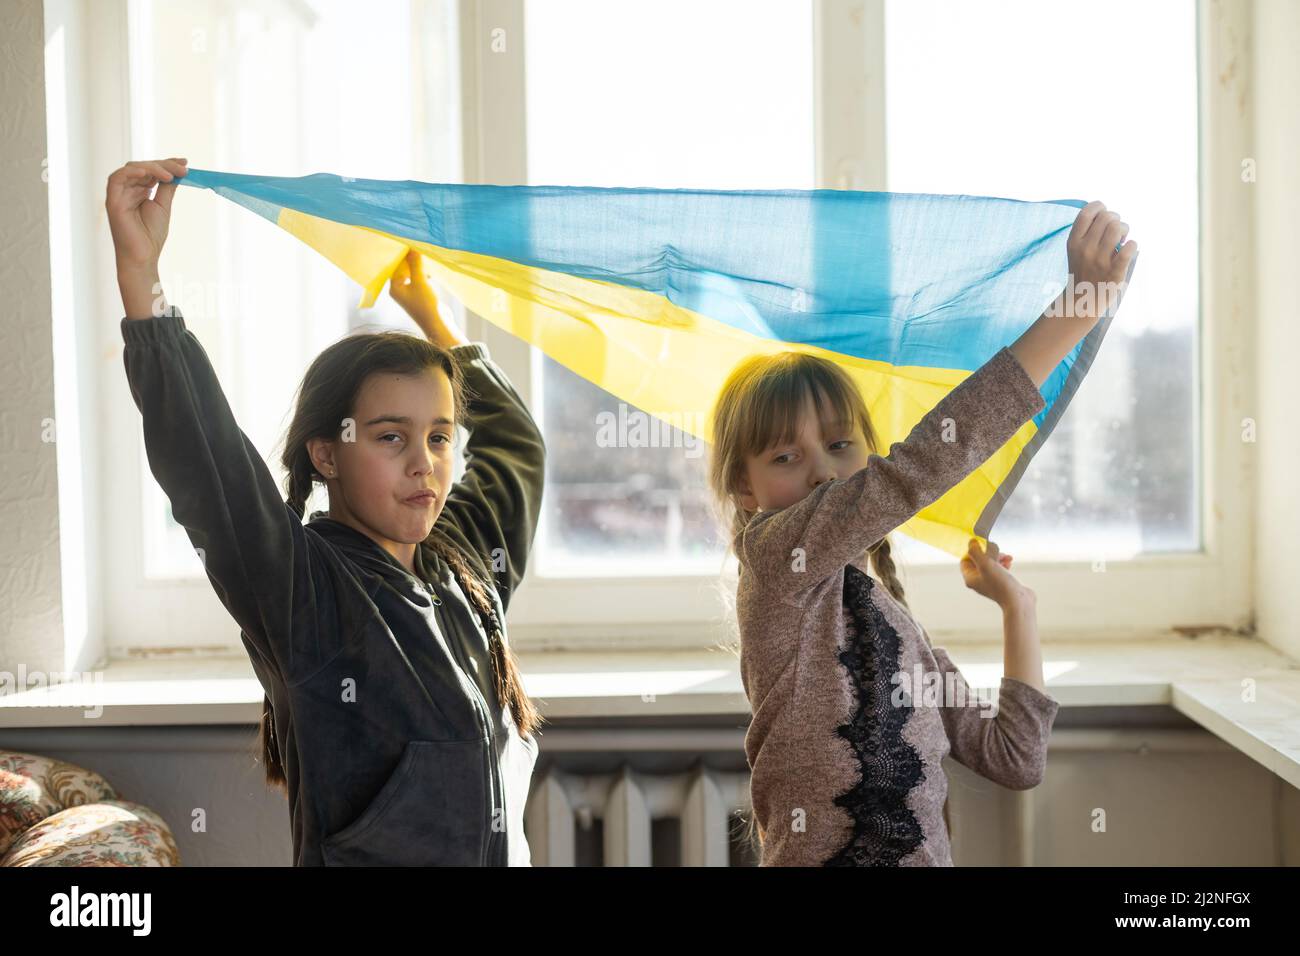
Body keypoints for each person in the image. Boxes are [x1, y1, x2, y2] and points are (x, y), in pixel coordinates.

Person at [107, 158, 546, 865]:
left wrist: (434, 321)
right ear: (327, 453)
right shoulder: (303, 588)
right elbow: (206, 462)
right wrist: (140, 276)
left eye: (438, 437)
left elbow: (516, 444)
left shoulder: (465, 566)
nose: (423, 463)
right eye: (390, 437)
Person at [706, 201, 1138, 865]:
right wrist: (1076, 310)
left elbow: (1012, 758)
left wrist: (1018, 610)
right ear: (745, 490)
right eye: (785, 457)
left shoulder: (895, 628)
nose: (823, 472)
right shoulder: (772, 562)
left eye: (840, 446)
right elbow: (915, 472)